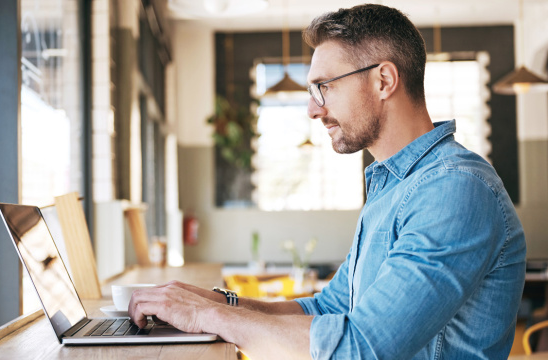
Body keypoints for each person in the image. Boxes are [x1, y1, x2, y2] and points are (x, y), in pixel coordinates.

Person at [128, 4, 526, 359]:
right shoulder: (393, 186)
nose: (312, 109)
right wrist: (220, 302)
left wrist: (205, 315)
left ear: (384, 81)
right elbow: (329, 309)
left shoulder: (454, 189)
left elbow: (362, 348)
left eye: (324, 87)